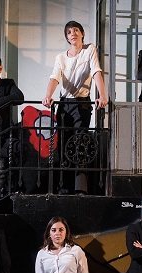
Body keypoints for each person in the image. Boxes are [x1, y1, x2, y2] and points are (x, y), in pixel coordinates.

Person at [42, 20, 108, 194]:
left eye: (76, 30)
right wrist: (48, 95)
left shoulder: (89, 50)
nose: (73, 34)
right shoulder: (61, 57)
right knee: (64, 143)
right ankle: (64, 186)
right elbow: (55, 77)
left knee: (80, 143)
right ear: (67, 37)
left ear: (82, 33)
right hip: (65, 103)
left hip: (82, 102)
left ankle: (80, 187)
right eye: (69, 32)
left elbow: (96, 71)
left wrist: (102, 95)